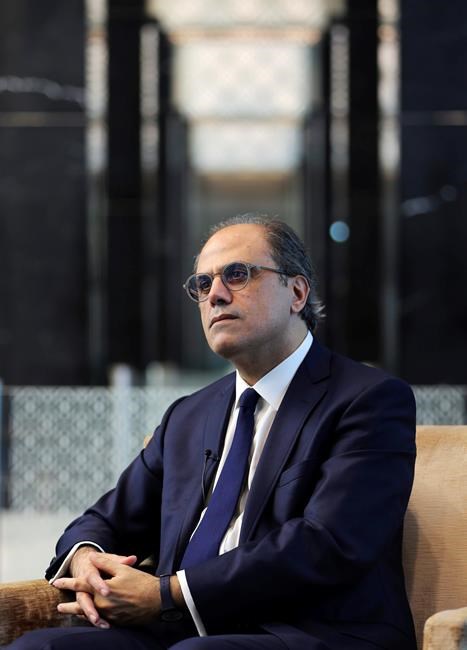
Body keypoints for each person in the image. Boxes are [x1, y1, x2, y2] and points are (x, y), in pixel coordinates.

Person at [6, 214, 417, 650]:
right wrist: (87, 559)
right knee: (40, 649)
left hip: (307, 632)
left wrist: (167, 594)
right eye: (202, 284)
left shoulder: (368, 399)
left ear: (297, 293)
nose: (215, 295)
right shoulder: (187, 416)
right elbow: (106, 519)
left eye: (237, 275)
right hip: (176, 629)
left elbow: (327, 544)